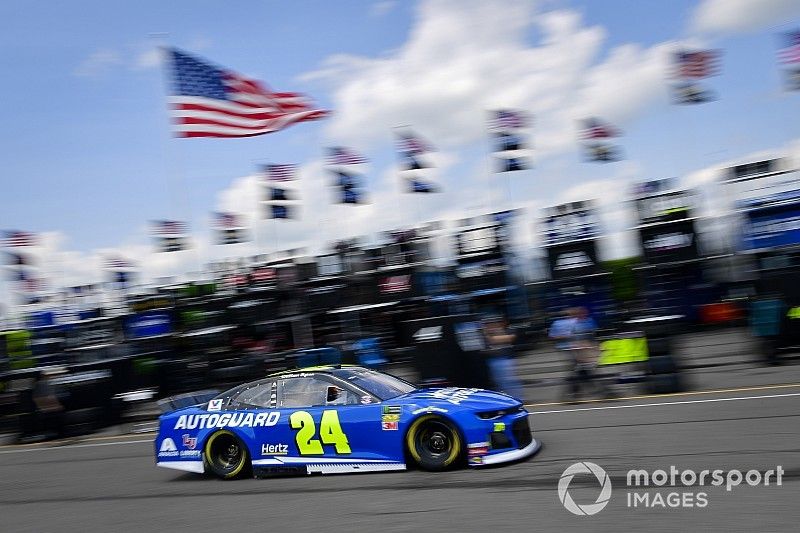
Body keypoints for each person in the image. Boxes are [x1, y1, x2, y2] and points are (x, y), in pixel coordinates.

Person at [550, 307, 606, 402]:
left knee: (580, 370)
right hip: (570, 349)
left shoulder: (578, 322)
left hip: (577, 349)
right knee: (580, 370)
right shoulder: (566, 323)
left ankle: (574, 394)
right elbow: (556, 336)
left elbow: (586, 335)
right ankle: (581, 392)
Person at [482, 314, 524, 400]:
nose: (490, 326)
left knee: (508, 381)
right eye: (488, 324)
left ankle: (517, 399)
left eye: (493, 323)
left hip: (504, 360)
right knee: (497, 382)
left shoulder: (509, 331)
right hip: (492, 360)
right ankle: (503, 399)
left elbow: (497, 340)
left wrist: (486, 334)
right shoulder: (488, 334)